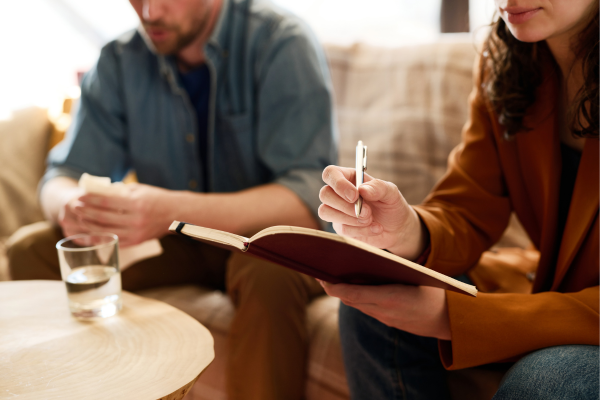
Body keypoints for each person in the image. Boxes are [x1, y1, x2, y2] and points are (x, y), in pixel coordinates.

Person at [7, 0, 336, 399]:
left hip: (266, 244)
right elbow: (61, 176)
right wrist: (72, 205)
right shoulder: (119, 60)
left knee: (266, 275)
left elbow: (305, 198)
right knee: (33, 249)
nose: (149, 12)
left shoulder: (279, 41)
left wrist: (169, 211)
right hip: (180, 241)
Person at [318, 0, 598, 398]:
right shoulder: (510, 63)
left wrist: (455, 318)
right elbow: (469, 208)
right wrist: (406, 230)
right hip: (555, 291)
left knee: (547, 381)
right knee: (375, 307)